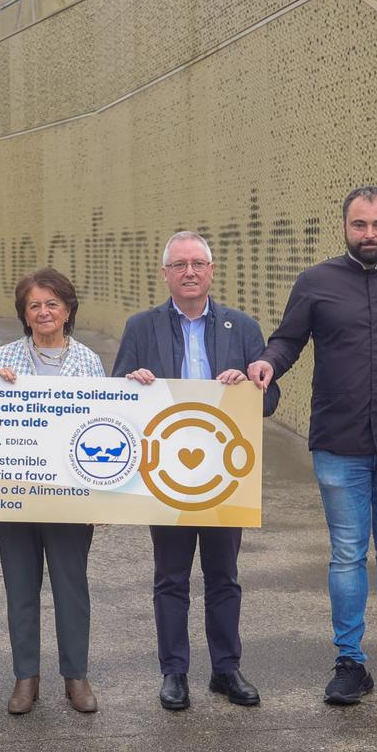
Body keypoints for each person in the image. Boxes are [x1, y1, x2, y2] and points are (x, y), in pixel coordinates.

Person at [248, 186, 377, 707]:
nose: (370, 234)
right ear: (345, 227)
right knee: (347, 556)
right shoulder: (315, 282)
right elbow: (288, 339)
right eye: (360, 225)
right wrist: (268, 362)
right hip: (340, 441)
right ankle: (350, 663)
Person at [113, 231, 279, 712]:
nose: (189, 272)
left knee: (223, 576)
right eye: (180, 264)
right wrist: (131, 383)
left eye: (198, 263)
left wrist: (248, 385)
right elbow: (116, 400)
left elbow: (270, 401)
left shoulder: (242, 327)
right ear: (164, 274)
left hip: (226, 475)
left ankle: (226, 669)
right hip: (164, 473)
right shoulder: (141, 327)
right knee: (170, 577)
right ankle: (175, 673)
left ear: (211, 270)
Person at [0, 268, 107, 714]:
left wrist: (103, 496)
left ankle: (76, 676)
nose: (43, 312)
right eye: (34, 305)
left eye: (52, 303)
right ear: (24, 313)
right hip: (16, 494)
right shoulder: (2, 359)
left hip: (71, 497)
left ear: (68, 309)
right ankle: (26, 678)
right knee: (20, 588)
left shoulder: (90, 362)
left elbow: (102, 428)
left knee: (71, 587)